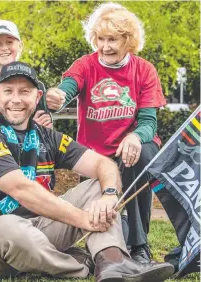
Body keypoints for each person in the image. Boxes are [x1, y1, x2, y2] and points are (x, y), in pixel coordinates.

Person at [0, 61, 174, 282]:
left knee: (98, 186)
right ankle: (81, 265)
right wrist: (84, 219)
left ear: (38, 97)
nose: (16, 99)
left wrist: (109, 194)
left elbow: (104, 164)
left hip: (36, 226)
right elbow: (21, 189)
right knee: (12, 230)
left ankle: (112, 261)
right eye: (8, 91)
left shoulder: (45, 136)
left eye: (24, 91)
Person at [45, 2, 167, 263]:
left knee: (140, 153)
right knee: (102, 217)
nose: (105, 46)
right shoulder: (86, 65)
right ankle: (100, 249)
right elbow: (69, 86)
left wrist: (134, 136)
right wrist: (58, 96)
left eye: (113, 40)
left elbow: (148, 122)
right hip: (94, 153)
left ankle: (139, 246)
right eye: (101, 39)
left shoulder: (144, 70)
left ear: (128, 40)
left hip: (130, 150)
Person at [0, 20, 52, 128]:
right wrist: (27, 127)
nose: (4, 48)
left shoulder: (36, 86)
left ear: (20, 46)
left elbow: (45, 128)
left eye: (9, 42)